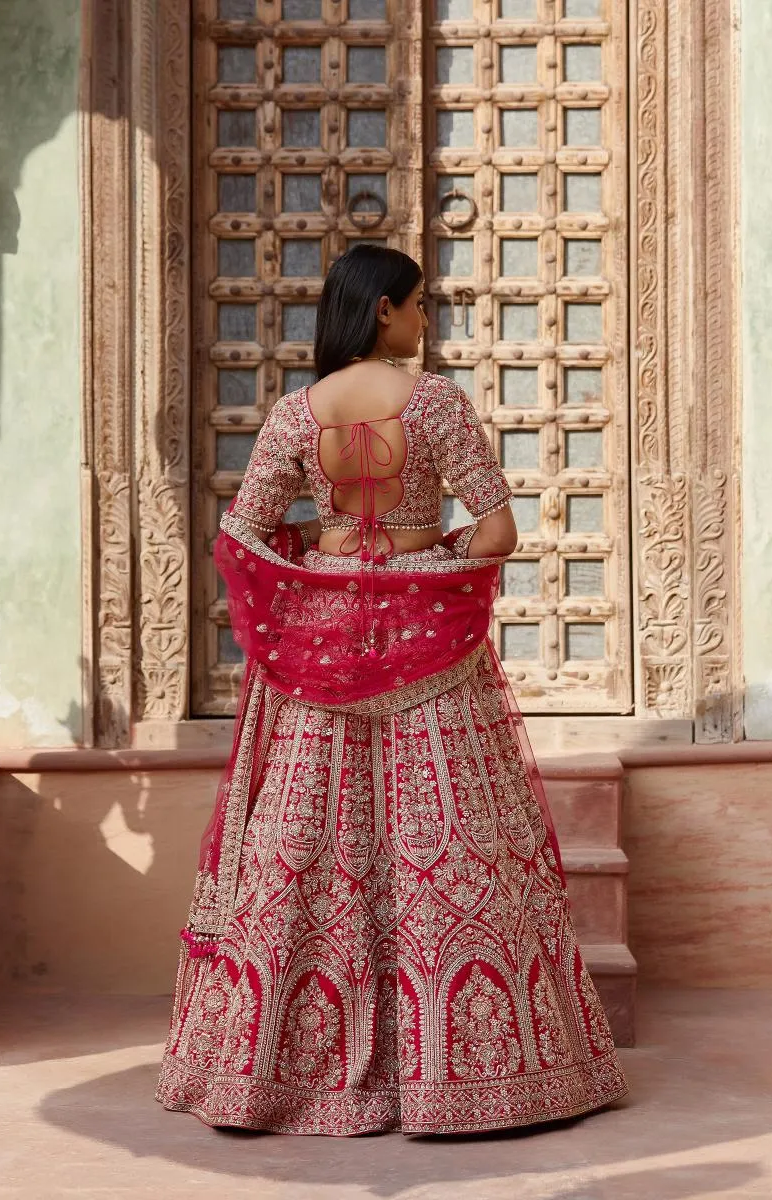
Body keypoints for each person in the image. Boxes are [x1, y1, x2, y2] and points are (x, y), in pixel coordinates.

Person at [156, 244, 628, 1135]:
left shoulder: (294, 416)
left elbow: (242, 539)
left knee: (311, 845)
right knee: (446, 840)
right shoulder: (437, 403)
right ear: (383, 310)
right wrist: (431, 560)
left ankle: (281, 1075)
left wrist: (316, 565)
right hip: (426, 644)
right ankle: (469, 1074)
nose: (425, 319)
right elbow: (496, 534)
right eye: (417, 304)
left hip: (323, 652)